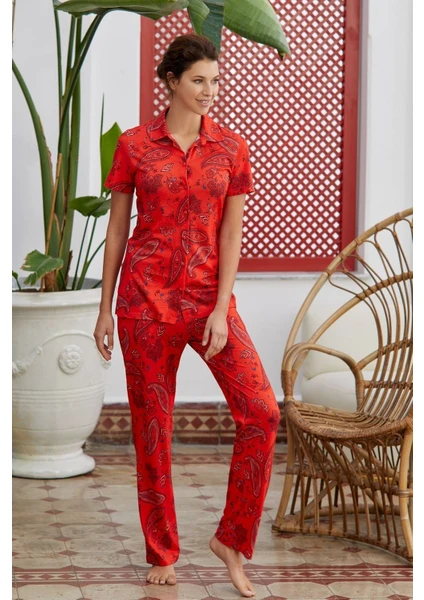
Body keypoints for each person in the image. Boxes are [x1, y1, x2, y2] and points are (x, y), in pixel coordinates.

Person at [93, 33, 280, 598]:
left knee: (262, 412)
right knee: (153, 429)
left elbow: (231, 233)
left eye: (214, 81)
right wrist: (104, 309)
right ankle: (162, 552)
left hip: (206, 300)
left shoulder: (231, 149)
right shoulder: (134, 145)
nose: (209, 90)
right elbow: (117, 231)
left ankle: (232, 540)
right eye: (199, 80)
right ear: (172, 82)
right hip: (143, 303)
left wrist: (221, 308)